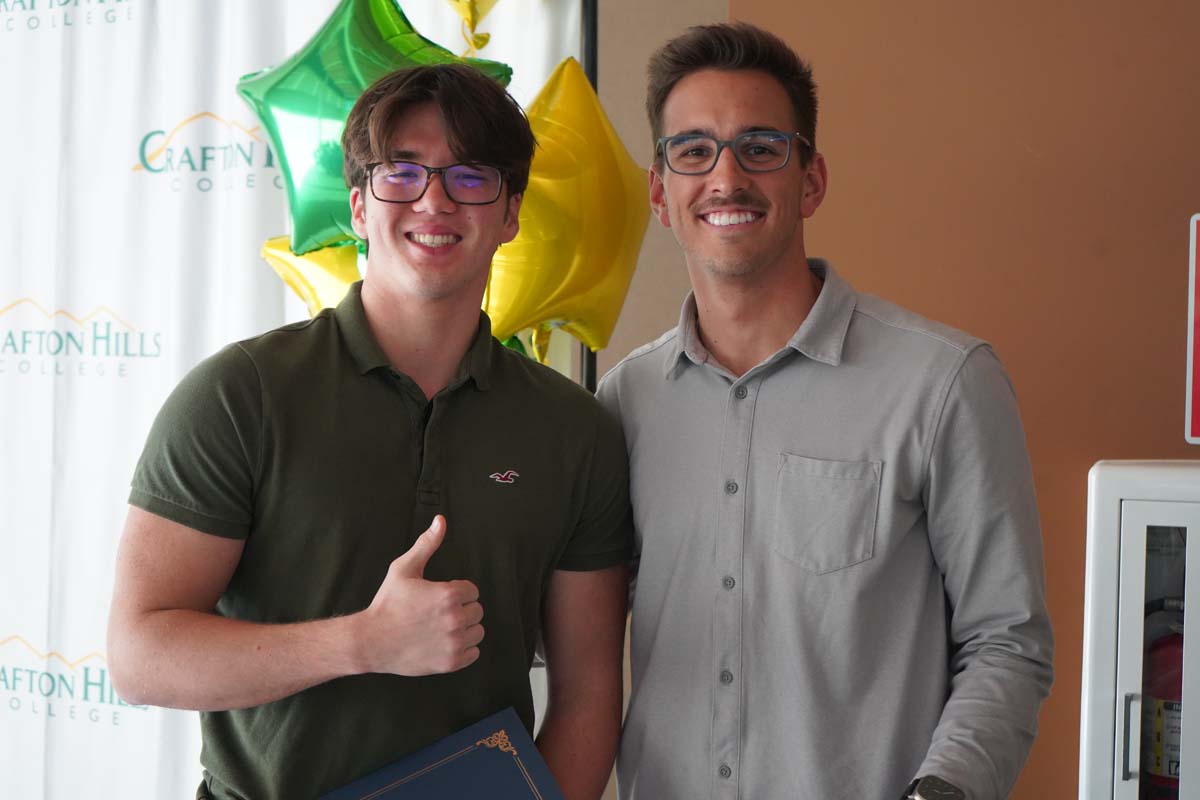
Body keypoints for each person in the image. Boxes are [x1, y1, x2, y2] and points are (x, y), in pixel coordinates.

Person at [107, 63, 631, 800]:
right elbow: (140, 656)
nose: (435, 199)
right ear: (358, 205)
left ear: (511, 213)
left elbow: (588, 699)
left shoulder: (575, 430)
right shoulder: (240, 396)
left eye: (471, 176)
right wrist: (364, 642)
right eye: (402, 172)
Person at [596, 22, 1054, 800]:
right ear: (660, 192)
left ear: (810, 179)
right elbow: (583, 642)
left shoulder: (944, 383)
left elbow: (1007, 641)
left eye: (762, 147)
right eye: (694, 150)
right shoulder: (624, 404)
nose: (727, 177)